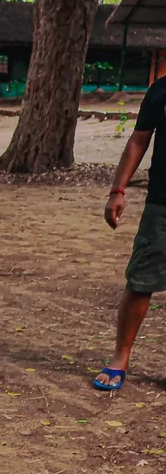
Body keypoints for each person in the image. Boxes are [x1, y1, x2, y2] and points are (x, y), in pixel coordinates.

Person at [96, 74, 166, 391]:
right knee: (141, 280)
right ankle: (121, 355)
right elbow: (139, 140)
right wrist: (117, 191)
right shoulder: (161, 90)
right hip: (162, 203)